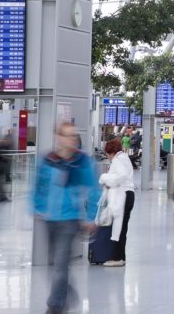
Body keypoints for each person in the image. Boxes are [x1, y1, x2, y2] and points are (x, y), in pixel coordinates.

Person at [32, 122, 100, 314]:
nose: (72, 139)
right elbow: (39, 185)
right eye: (67, 135)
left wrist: (90, 217)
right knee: (54, 265)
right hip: (49, 219)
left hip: (70, 220)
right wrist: (37, 207)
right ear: (58, 137)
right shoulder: (48, 159)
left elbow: (94, 190)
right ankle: (67, 293)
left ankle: (55, 306)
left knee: (61, 264)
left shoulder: (82, 161)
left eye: (74, 136)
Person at [98, 137, 136, 267]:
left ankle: (117, 257)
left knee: (119, 227)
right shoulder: (124, 158)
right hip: (128, 194)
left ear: (111, 152)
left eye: (107, 154)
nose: (107, 157)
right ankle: (119, 256)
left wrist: (104, 178)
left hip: (123, 195)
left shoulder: (117, 160)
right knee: (122, 226)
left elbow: (120, 177)